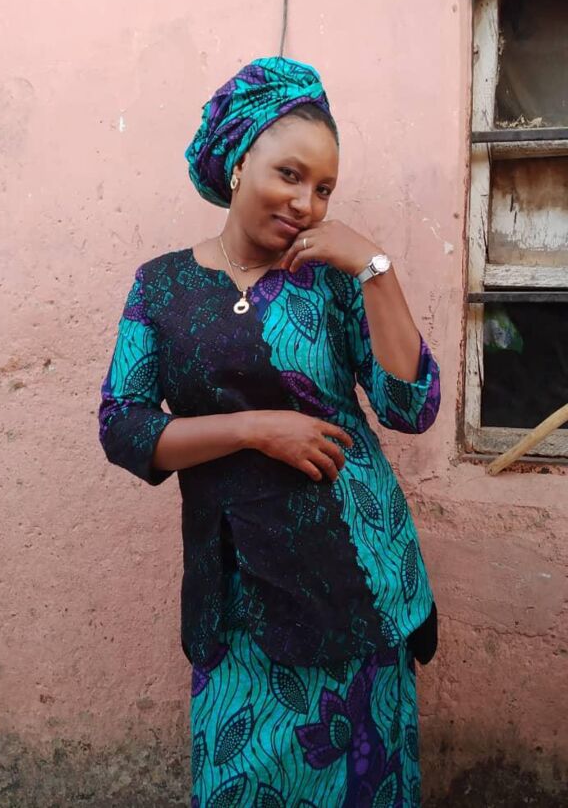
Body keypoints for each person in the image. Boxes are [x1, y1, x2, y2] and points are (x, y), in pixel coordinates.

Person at [99, 56, 440, 808]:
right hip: (237, 591)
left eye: (324, 189)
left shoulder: (334, 280)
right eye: (290, 174)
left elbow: (409, 405)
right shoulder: (161, 286)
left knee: (363, 784)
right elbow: (123, 426)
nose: (306, 203)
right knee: (241, 780)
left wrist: (375, 267)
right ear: (238, 161)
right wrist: (253, 429)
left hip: (357, 575)